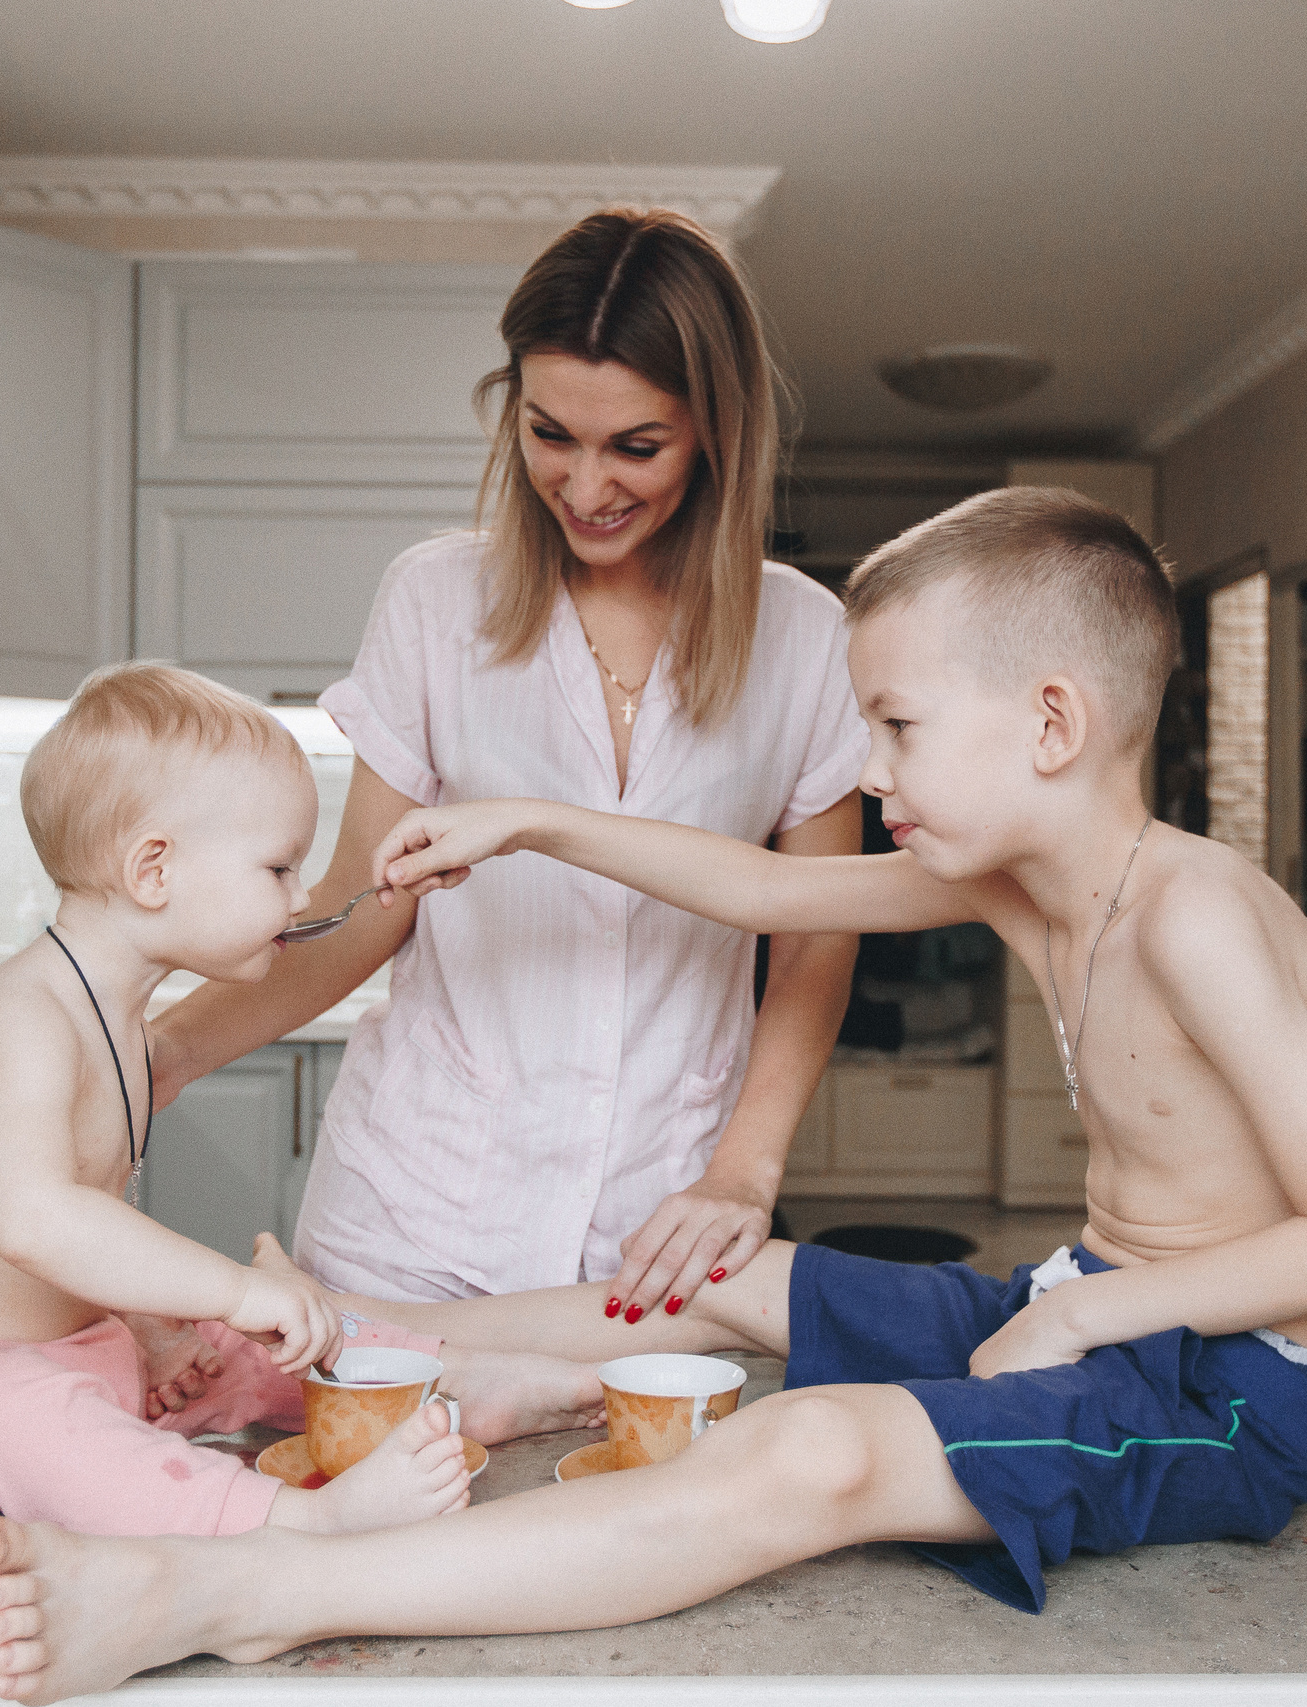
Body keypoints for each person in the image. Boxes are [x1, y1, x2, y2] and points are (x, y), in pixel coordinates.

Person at [0, 488, 1307, 1701]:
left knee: (812, 1445)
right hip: (1101, 1294)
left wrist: (1088, 1312)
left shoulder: (1197, 915)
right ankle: (336, 1353)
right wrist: (532, 819)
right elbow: (768, 883)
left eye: (898, 726)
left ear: (1053, 721)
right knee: (735, 1277)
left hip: (1231, 1390)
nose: (867, 762)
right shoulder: (1035, 884)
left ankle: (251, 1587)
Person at [146, 207, 866, 1318]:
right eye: (549, 435)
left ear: (719, 428)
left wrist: (746, 1168)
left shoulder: (806, 638)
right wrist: (164, 1054)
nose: (584, 488)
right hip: (416, 1204)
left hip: (658, 1221)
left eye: (636, 446)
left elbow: (817, 931)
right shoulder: (435, 602)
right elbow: (363, 901)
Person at [0, 663, 603, 1545]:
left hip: (74, 1357)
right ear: (154, 869)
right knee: (12, 1405)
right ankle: (292, 1519)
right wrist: (230, 1288)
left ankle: (451, 1381)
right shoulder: (22, 1017)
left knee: (255, 1347)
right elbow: (34, 1220)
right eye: (278, 866)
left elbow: (88, 1232)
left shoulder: (117, 1027)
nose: (301, 895)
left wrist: (150, 1331)